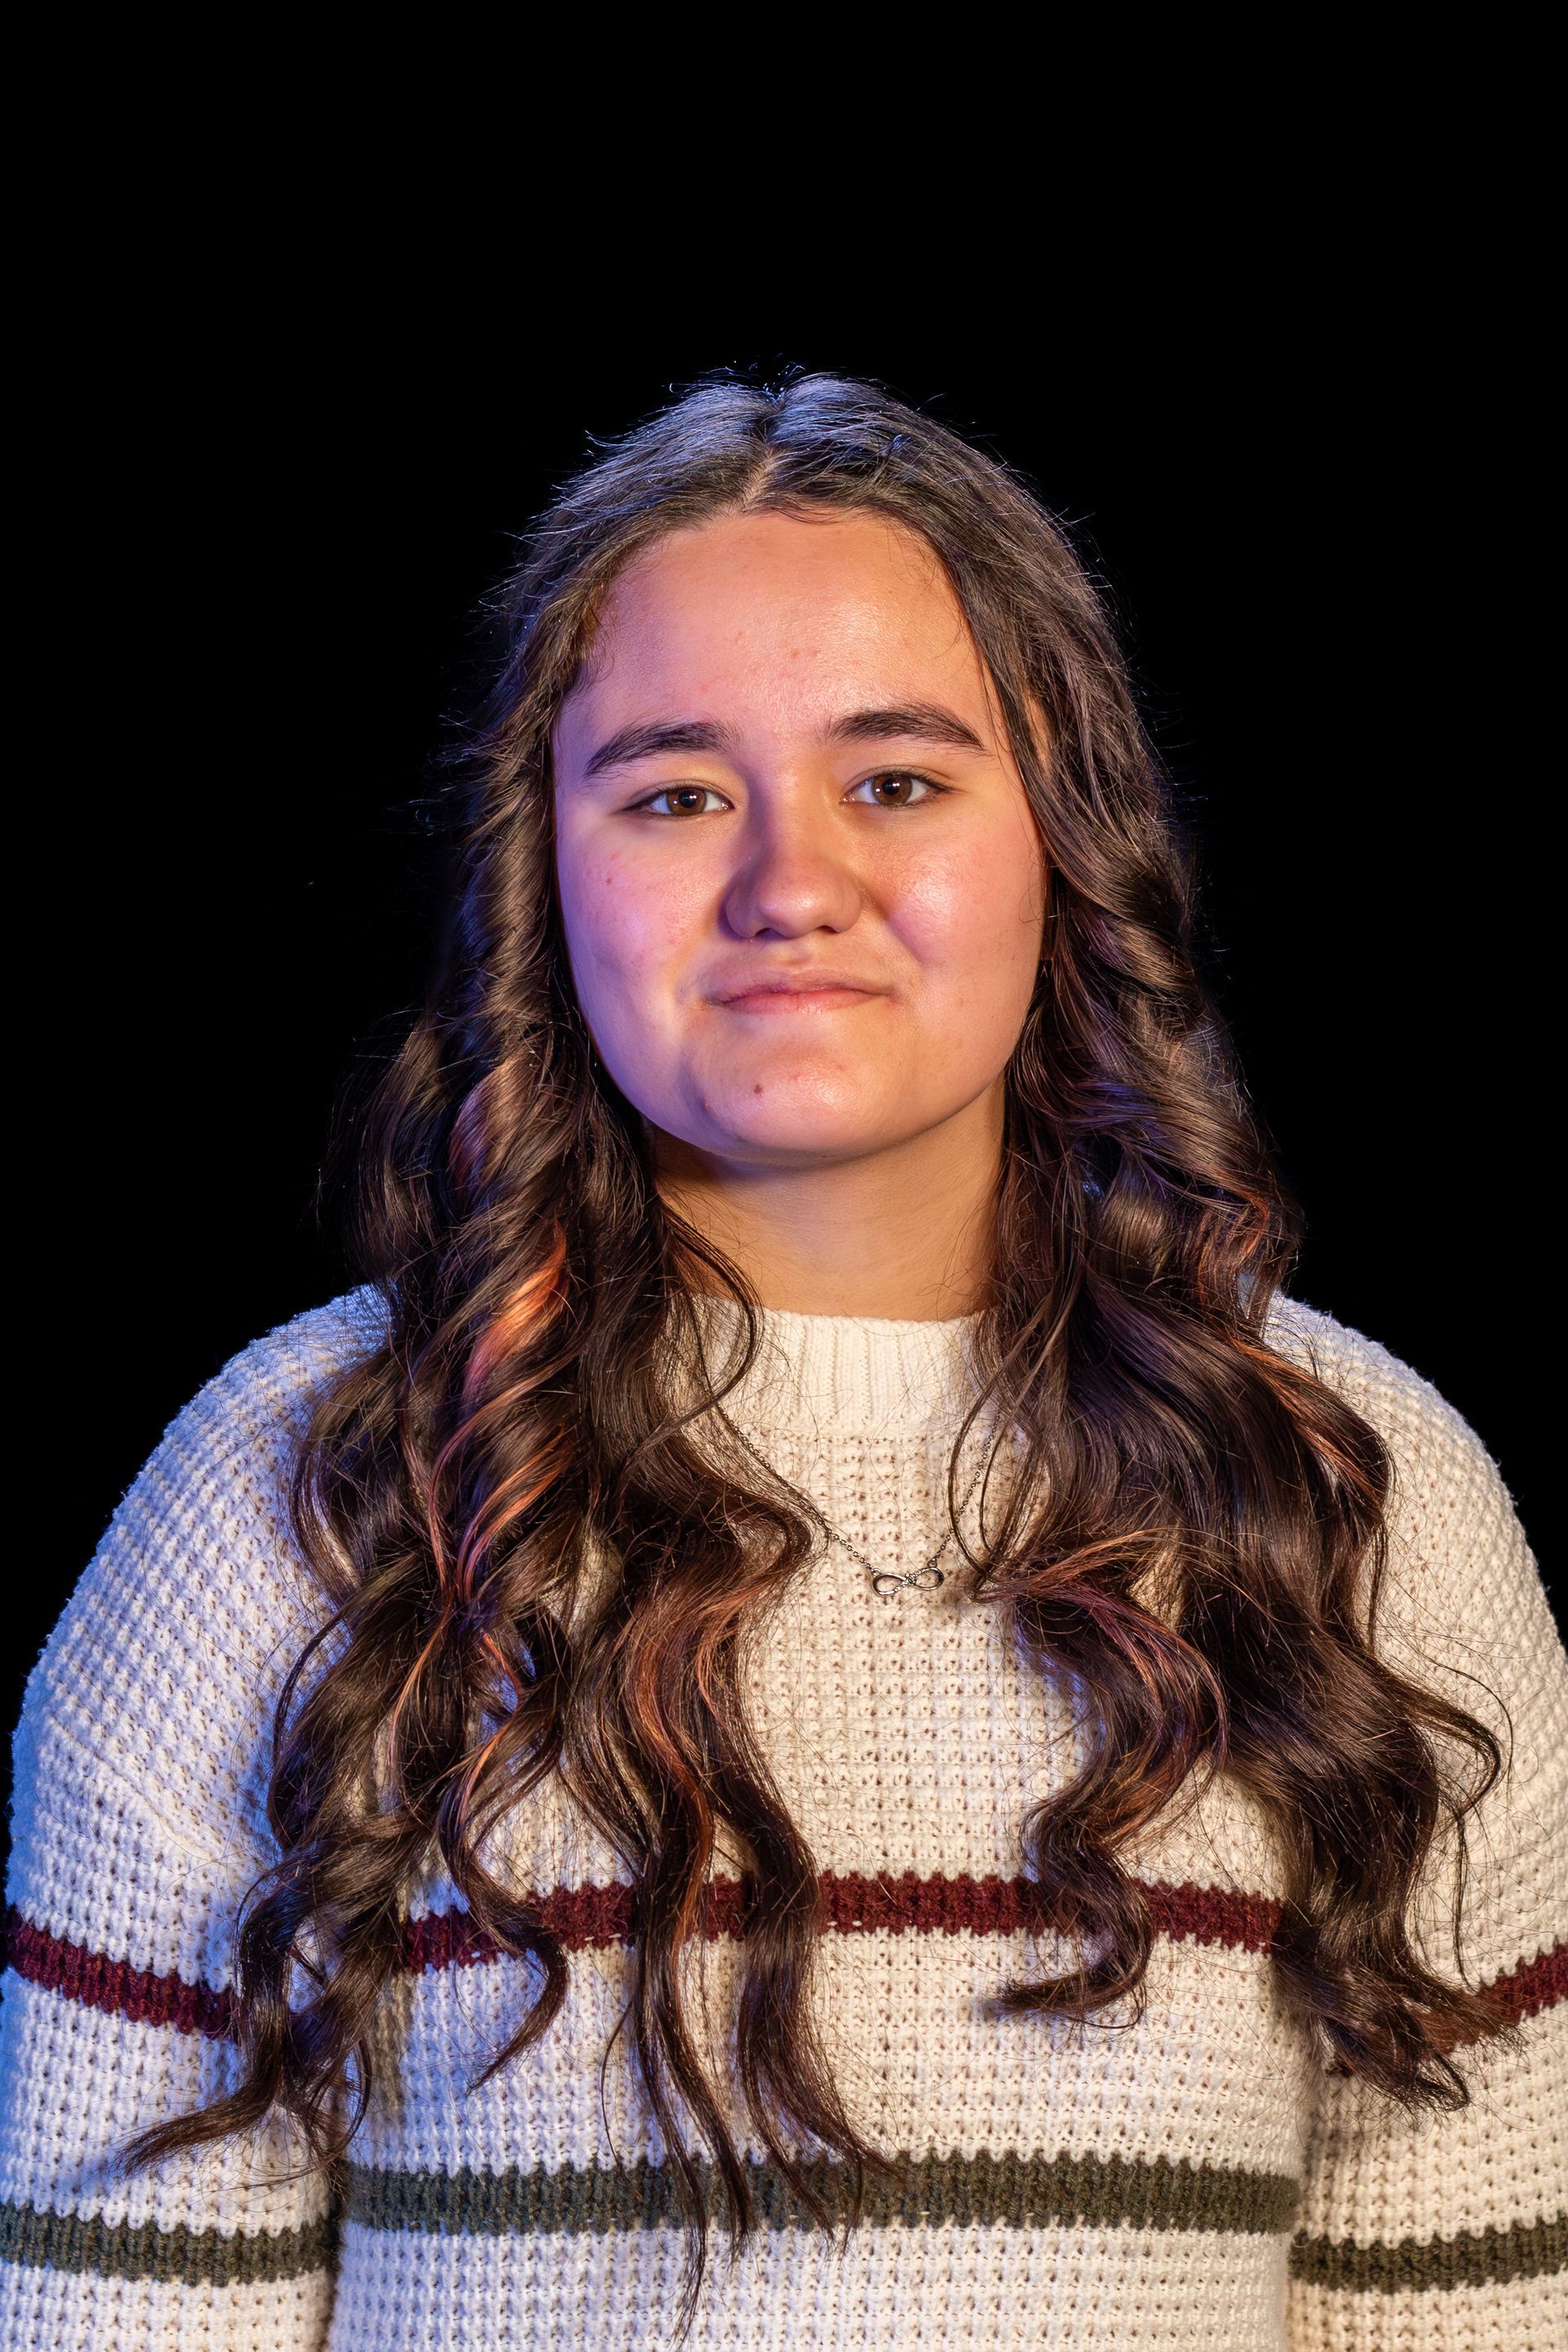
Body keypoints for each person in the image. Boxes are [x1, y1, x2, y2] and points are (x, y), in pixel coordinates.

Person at [2, 376, 1562, 2352]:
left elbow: (1467, 2305)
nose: (787, 886)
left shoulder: (1358, 1493)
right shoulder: (300, 1498)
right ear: (538, 870)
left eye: (896, 778)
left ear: (1062, 841)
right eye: (673, 793)